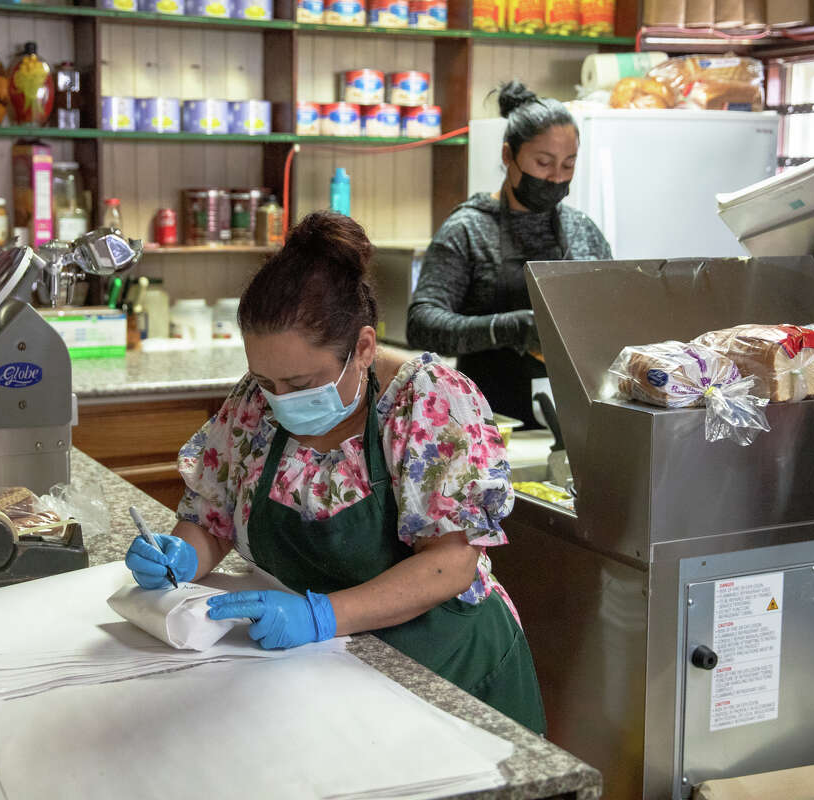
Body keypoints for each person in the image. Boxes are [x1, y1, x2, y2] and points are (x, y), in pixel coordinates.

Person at [124, 211, 547, 734]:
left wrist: (319, 615)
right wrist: (184, 556)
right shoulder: (256, 404)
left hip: (446, 673)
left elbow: (450, 564)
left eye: (301, 382)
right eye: (265, 380)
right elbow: (213, 519)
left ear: (364, 348)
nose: (281, 399)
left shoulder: (428, 402)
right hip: (326, 672)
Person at [406, 80, 612, 429]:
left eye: (568, 165)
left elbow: (613, 316)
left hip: (574, 426)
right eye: (544, 162)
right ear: (508, 156)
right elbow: (422, 325)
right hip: (486, 427)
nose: (556, 177)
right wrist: (509, 329)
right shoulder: (468, 229)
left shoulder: (583, 230)